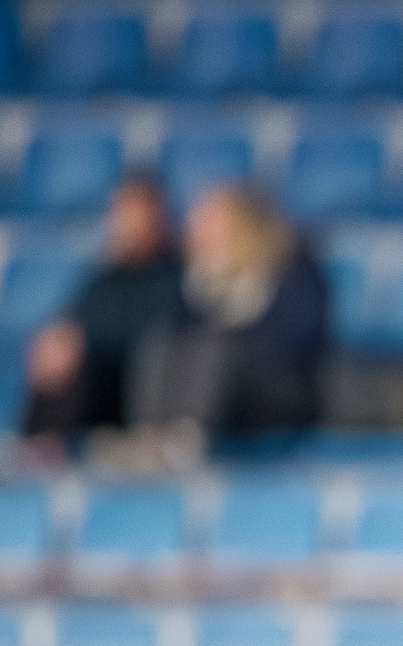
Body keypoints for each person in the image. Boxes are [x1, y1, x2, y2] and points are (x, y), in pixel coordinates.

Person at [129, 183, 329, 449]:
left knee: (217, 350)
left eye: (211, 219)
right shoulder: (199, 279)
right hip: (230, 391)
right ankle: (149, 437)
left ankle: (186, 441)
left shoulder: (290, 269)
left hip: (280, 385)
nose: (198, 228)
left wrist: (241, 338)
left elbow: (298, 336)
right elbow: (179, 328)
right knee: (163, 344)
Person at [20, 174, 185, 453]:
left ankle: (54, 451)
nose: (126, 225)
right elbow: (73, 321)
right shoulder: (103, 277)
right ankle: (35, 454)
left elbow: (155, 332)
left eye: (136, 215)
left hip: (130, 385)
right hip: (93, 380)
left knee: (80, 367)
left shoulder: (173, 276)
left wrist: (82, 344)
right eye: (120, 213)